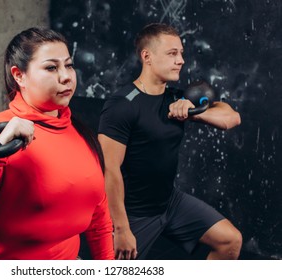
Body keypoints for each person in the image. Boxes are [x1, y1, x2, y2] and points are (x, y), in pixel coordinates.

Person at [0, 27, 114, 260]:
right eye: (51, 67)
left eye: (68, 65)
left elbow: (99, 216)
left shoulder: (80, 133)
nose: (66, 76)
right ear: (19, 75)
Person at [98, 23, 242, 260]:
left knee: (230, 240)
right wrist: (122, 229)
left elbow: (231, 117)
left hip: (170, 202)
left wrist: (194, 112)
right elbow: (108, 170)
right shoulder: (122, 104)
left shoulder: (177, 98)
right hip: (135, 213)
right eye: (172, 53)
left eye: (181, 53)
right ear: (147, 57)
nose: (181, 60)